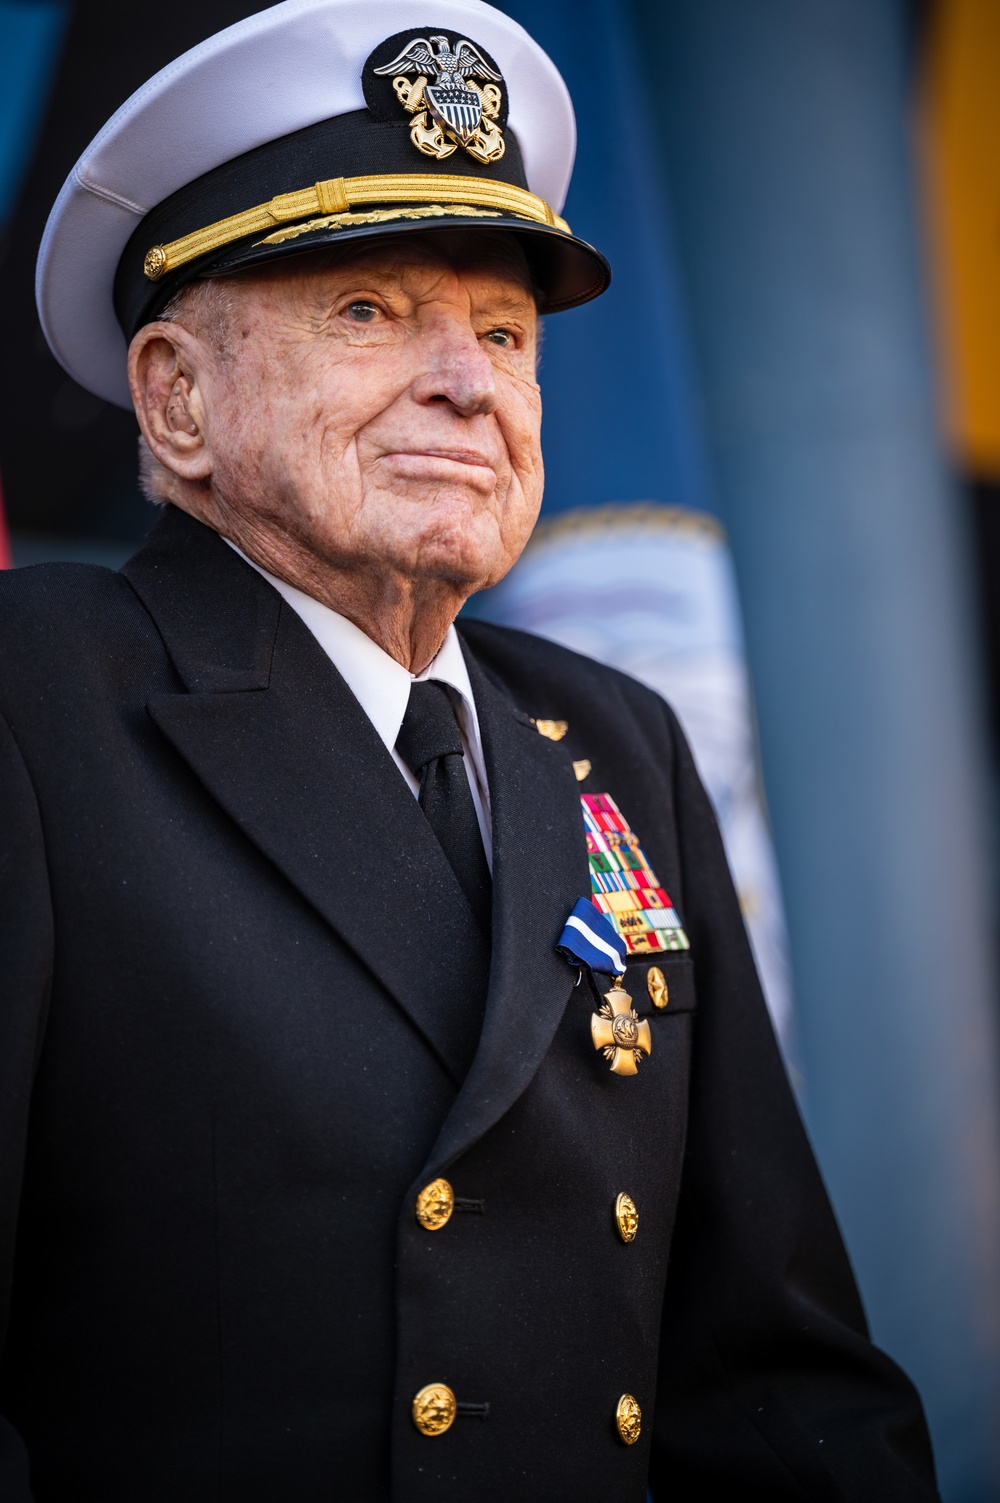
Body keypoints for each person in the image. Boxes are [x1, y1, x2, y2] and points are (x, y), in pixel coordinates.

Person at [0, 2, 939, 1499]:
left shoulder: (618, 740)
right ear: (177, 399)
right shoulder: (35, 695)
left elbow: (774, 1376)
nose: (469, 381)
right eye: (367, 310)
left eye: (504, 332)